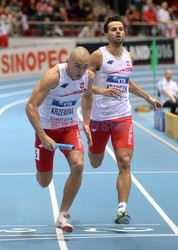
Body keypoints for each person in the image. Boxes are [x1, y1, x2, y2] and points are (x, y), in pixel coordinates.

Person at [88, 16, 163, 224]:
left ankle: (122, 210)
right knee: (95, 162)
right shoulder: (97, 56)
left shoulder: (129, 56)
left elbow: (127, 82)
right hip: (99, 118)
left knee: (125, 162)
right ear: (106, 34)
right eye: (113, 29)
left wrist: (148, 97)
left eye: (121, 28)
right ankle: (93, 148)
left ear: (125, 32)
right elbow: (82, 82)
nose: (118, 32)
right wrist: (102, 90)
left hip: (122, 116)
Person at [25, 46, 94, 233]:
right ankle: (40, 169)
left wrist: (86, 122)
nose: (81, 72)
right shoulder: (54, 76)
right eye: (77, 66)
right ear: (68, 62)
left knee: (78, 165)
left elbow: (88, 96)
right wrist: (43, 136)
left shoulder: (88, 77)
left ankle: (63, 214)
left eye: (85, 67)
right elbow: (30, 106)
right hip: (46, 129)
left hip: (69, 127)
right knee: (44, 181)